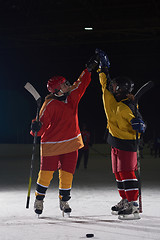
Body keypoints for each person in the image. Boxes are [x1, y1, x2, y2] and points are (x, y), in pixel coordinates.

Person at [30, 56, 99, 216]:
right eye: (64, 84)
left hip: (71, 144)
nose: (68, 84)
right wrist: (36, 127)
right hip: (52, 145)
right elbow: (40, 128)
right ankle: (39, 199)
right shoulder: (50, 104)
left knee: (67, 174)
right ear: (57, 90)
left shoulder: (72, 97)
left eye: (67, 82)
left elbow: (80, 84)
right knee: (46, 175)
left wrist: (88, 70)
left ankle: (64, 200)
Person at [96, 49, 146, 220]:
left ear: (122, 89)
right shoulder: (110, 98)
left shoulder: (129, 107)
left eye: (115, 86)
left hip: (127, 144)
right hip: (115, 143)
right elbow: (104, 83)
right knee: (118, 173)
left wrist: (141, 125)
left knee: (127, 173)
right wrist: (103, 68)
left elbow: (139, 124)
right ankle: (125, 200)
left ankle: (133, 206)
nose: (112, 86)